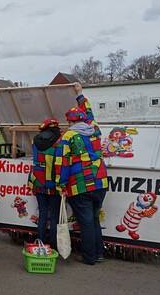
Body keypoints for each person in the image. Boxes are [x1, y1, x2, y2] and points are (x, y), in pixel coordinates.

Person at [54, 84, 108, 265]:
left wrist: (60, 184)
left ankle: (89, 257)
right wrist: (80, 94)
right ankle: (99, 253)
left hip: (80, 184)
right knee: (93, 218)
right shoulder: (94, 129)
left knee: (85, 222)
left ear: (69, 122)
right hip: (100, 181)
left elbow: (62, 164)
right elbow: (89, 112)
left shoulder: (67, 137)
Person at [28, 119, 62, 248]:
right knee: (54, 216)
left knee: (42, 214)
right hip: (54, 183)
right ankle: (53, 246)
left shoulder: (35, 141)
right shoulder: (59, 143)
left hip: (38, 182)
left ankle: (41, 244)